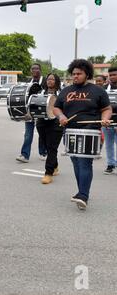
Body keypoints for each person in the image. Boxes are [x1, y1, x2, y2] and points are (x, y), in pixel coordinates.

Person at [53, 59, 112, 210]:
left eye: (79, 74)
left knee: (85, 162)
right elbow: (56, 108)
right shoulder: (66, 91)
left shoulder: (98, 91)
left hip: (90, 131)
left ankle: (83, 195)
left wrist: (105, 119)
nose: (75, 76)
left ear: (87, 74)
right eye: (73, 74)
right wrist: (61, 117)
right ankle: (82, 193)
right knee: (76, 162)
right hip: (70, 131)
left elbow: (107, 109)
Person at [16, 63, 47, 163]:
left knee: (42, 134)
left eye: (37, 68)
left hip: (41, 110)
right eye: (33, 69)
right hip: (30, 111)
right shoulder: (28, 82)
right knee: (28, 134)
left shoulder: (45, 81)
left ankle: (43, 152)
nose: (35, 70)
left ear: (40, 70)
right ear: (31, 70)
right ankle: (25, 155)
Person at [36, 73, 64, 184]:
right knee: (47, 146)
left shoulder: (62, 94)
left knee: (52, 148)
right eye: (48, 79)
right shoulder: (40, 93)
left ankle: (48, 173)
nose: (49, 81)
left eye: (52, 79)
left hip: (56, 123)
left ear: (56, 81)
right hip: (42, 122)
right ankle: (55, 166)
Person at [102, 67, 117, 174]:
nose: (112, 77)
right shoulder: (104, 88)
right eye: (110, 75)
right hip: (107, 121)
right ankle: (111, 164)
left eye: (114, 74)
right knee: (109, 144)